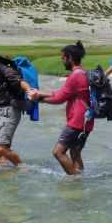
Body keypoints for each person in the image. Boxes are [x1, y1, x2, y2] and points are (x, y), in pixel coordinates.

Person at [29, 41, 93, 175]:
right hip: (87, 121)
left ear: (69, 57)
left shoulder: (75, 76)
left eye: (63, 57)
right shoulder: (83, 73)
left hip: (76, 122)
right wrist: (40, 93)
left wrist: (40, 99)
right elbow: (63, 93)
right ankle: (82, 179)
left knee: (58, 152)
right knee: (75, 153)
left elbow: (59, 99)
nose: (62, 60)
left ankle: (74, 180)